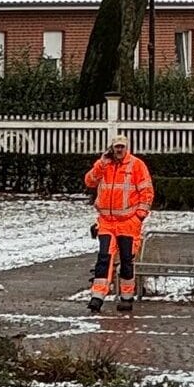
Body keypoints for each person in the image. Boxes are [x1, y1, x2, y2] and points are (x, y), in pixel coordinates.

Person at [83, 134, 153, 314]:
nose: (119, 150)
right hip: (106, 221)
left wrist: (139, 216)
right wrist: (101, 164)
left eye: (122, 147)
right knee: (104, 258)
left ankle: (126, 297)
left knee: (126, 261)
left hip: (128, 222)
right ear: (112, 148)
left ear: (126, 148)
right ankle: (97, 297)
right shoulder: (105, 165)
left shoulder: (136, 165)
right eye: (116, 147)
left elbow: (146, 192)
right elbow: (90, 181)